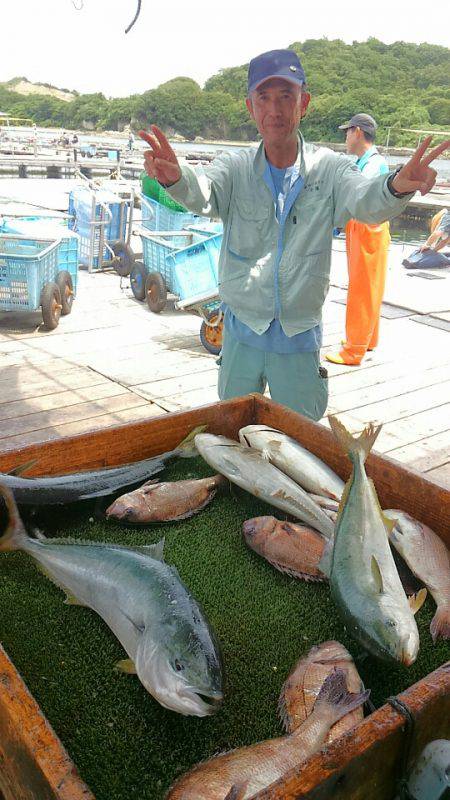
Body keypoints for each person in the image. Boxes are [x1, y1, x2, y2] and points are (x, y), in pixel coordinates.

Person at [139, 49, 448, 420]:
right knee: (232, 435)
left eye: (286, 96)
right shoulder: (234, 168)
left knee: (301, 441)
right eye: (264, 98)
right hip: (241, 332)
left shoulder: (330, 169)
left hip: (299, 334)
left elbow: (367, 200)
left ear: (304, 102)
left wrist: (398, 185)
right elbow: (203, 193)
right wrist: (175, 177)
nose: (275, 109)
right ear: (250, 107)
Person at [326, 113, 390, 366]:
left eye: (347, 132)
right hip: (365, 229)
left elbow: (358, 196)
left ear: (358, 132)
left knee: (362, 289)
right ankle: (368, 338)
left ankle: (354, 350)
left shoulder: (372, 164)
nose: (345, 137)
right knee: (369, 285)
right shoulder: (368, 160)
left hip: (367, 229)